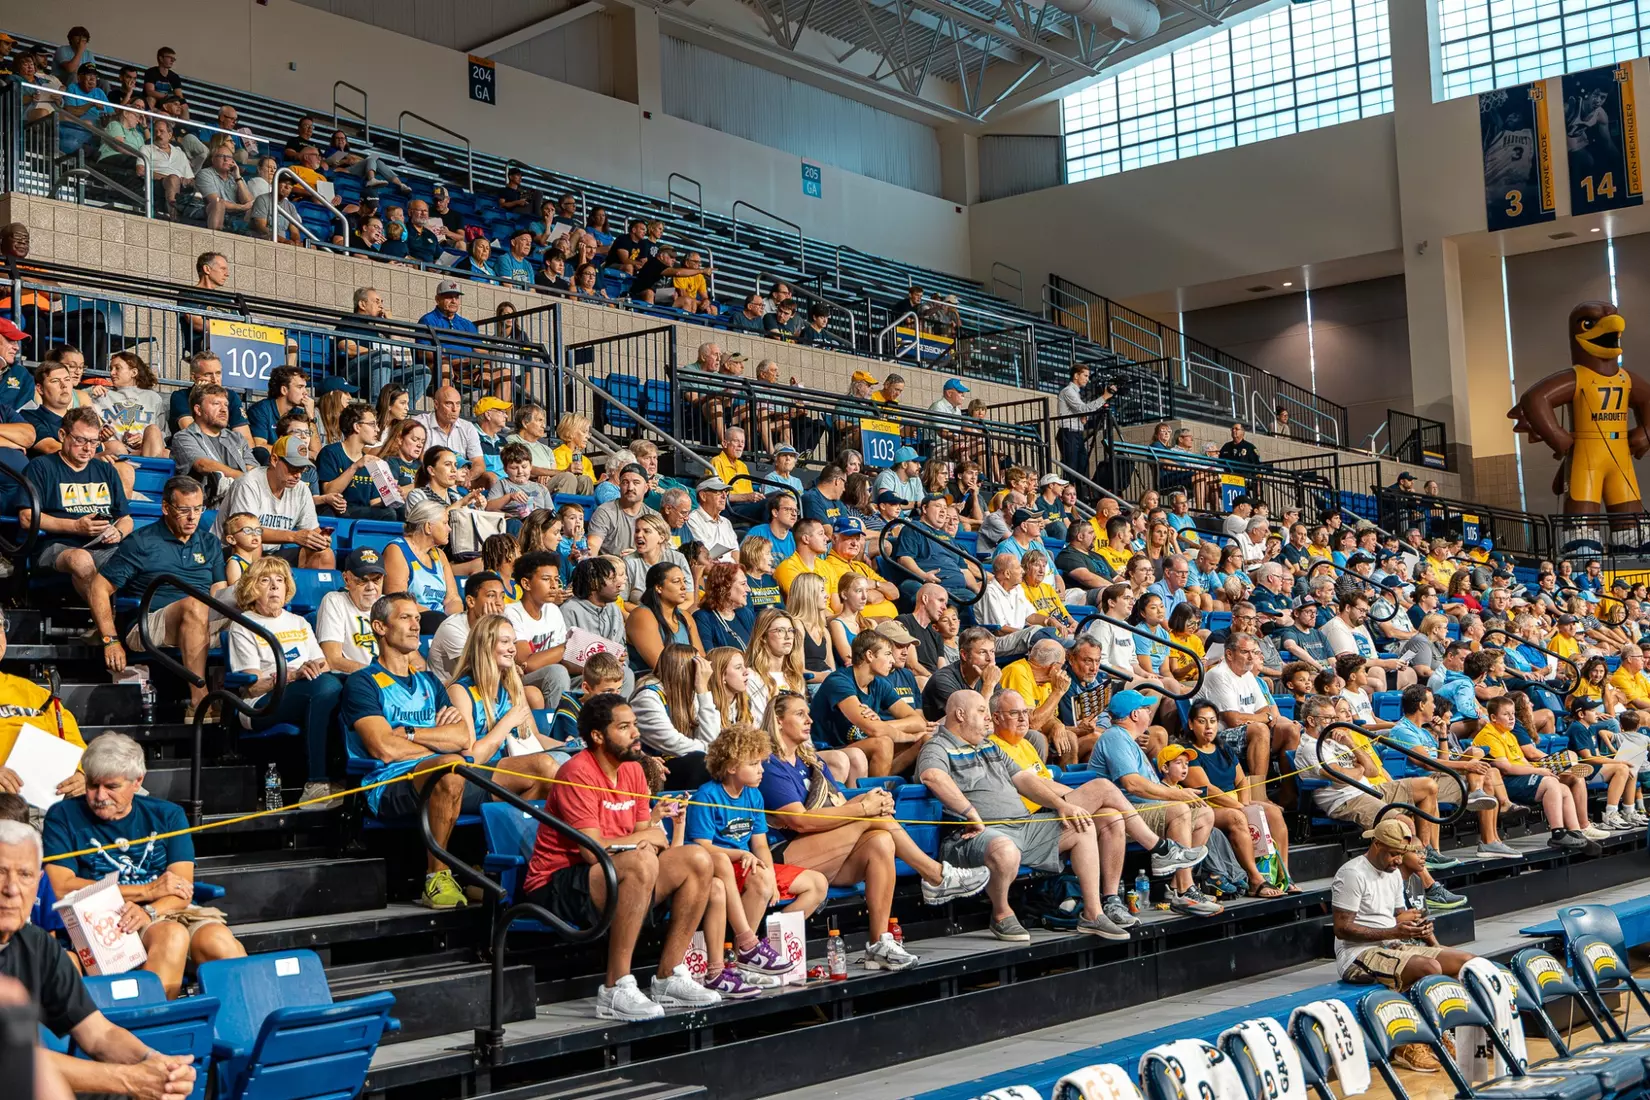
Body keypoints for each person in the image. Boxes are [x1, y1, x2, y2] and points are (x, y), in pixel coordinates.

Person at [342, 593, 556, 908]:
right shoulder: (363, 683)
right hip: (390, 783)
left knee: (545, 768)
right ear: (379, 627)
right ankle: (436, 877)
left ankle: (498, 867)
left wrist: (415, 733)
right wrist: (439, 742)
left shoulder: (429, 682)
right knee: (450, 765)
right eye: (405, 618)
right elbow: (384, 747)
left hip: (454, 773)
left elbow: (461, 737)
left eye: (417, 618)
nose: (416, 625)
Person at [520, 692, 720, 1018]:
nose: (635, 733)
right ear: (598, 736)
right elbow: (590, 849)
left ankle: (669, 976)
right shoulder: (576, 772)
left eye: (635, 725)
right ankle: (615, 987)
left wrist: (642, 840)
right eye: (624, 727)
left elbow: (654, 836)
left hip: (616, 868)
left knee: (697, 858)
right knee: (641, 862)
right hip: (557, 882)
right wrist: (642, 841)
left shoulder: (634, 771)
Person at [760, 692, 987, 970]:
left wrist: (871, 801)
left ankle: (880, 944)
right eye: (799, 714)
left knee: (880, 840)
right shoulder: (770, 765)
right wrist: (863, 809)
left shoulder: (812, 761)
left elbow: (838, 806)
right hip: (785, 856)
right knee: (872, 819)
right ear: (779, 721)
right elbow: (800, 821)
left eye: (808, 713)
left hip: (825, 852)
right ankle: (935, 875)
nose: (809, 720)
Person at [0, 818, 202, 1096]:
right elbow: (11, 1057)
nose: (11, 889)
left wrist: (156, 1063)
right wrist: (130, 1079)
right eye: (0, 872)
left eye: (24, 875)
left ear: (38, 883)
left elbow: (99, 1034)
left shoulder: (37, 945)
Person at [44, 733, 248, 999]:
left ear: (137, 781)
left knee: (220, 944)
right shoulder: (63, 815)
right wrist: (147, 891)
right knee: (171, 936)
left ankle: (245, 1030)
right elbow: (62, 887)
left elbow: (181, 888)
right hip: (105, 916)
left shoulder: (167, 814)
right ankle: (150, 1030)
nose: (99, 795)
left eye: (111, 786)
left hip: (165, 910)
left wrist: (151, 910)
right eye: (92, 785)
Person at [920, 689, 1131, 941]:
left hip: (1024, 826)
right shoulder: (937, 746)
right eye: (981, 712)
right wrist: (970, 813)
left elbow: (1024, 779)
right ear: (960, 714)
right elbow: (932, 776)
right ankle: (1001, 915)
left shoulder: (989, 746)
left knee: (1081, 825)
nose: (988, 718)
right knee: (1005, 849)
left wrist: (1060, 804)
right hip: (975, 835)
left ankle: (1092, 913)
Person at [1332, 817, 1478, 1072]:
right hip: (1357, 954)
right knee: (1429, 968)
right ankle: (1407, 1043)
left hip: (1391, 944)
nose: (1398, 861)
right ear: (1376, 844)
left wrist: (1417, 927)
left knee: (1466, 963)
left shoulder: (1393, 874)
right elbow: (1342, 929)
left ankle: (1438, 1033)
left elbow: (1400, 915)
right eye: (1393, 854)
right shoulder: (1352, 874)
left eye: (1402, 854)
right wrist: (1393, 930)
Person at [89, 477, 225, 717]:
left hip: (201, 619)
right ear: (166, 508)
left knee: (255, 604)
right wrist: (111, 640)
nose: (193, 517)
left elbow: (219, 591)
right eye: (184, 510)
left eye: (198, 509)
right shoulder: (142, 541)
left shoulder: (209, 542)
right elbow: (99, 587)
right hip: (148, 623)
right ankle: (199, 700)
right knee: (195, 605)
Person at [1091, 691, 1223, 915]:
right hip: (1123, 814)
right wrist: (1175, 795)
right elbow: (1132, 784)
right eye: (1144, 708)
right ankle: (1185, 891)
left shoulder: (1128, 740)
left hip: (1143, 810)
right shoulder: (1115, 737)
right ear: (1134, 714)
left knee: (1204, 813)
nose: (1149, 711)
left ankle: (1176, 887)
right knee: (1179, 809)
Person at [227, 557, 343, 806]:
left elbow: (322, 663)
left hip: (306, 690)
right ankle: (316, 784)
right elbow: (251, 685)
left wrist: (311, 668)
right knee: (326, 688)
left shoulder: (299, 622)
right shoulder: (245, 625)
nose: (274, 586)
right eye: (265, 580)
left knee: (343, 686)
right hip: (260, 704)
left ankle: (347, 778)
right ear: (251, 588)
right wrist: (292, 675)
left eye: (280, 580)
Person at [21, 406, 131, 605]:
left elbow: (125, 519)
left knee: (142, 559)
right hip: (56, 545)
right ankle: (109, 629)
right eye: (80, 440)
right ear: (62, 435)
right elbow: (27, 517)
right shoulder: (41, 467)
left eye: (93, 441)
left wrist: (119, 533)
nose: (88, 448)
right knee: (81, 560)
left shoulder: (106, 470)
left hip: (104, 545)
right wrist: (75, 527)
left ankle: (116, 628)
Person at [1473, 694, 1604, 850]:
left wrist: (1543, 769)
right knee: (1550, 783)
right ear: (1493, 717)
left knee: (1564, 788)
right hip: (1504, 782)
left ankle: (1576, 833)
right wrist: (1541, 772)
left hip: (1518, 777)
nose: (1511, 718)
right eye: (1506, 714)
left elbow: (1521, 761)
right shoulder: (1488, 735)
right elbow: (1506, 768)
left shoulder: (1508, 734)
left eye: (1513, 714)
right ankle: (1558, 834)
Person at [811, 632, 931, 777]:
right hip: (831, 749)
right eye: (887, 654)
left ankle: (891, 788)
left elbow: (918, 722)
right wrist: (904, 736)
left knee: (924, 739)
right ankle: (879, 794)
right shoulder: (839, 681)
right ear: (869, 655)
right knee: (883, 743)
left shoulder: (879, 683)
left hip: (862, 744)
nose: (892, 660)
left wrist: (881, 725)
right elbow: (873, 730)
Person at [213, 437, 335, 569]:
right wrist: (293, 536)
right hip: (232, 551)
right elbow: (245, 533)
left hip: (272, 553)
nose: (298, 475)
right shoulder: (248, 483)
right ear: (274, 460)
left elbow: (312, 528)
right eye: (293, 468)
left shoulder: (301, 489)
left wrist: (320, 538)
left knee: (324, 554)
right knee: (253, 545)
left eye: (302, 469)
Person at [504, 551, 573, 711]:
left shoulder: (553, 611)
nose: (554, 585)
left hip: (556, 676)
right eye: (546, 579)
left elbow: (563, 659)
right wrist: (570, 646)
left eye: (556, 579)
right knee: (557, 672)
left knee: (614, 672)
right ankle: (557, 730)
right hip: (519, 679)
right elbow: (527, 663)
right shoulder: (511, 613)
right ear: (526, 584)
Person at [383, 500, 463, 627]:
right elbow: (397, 601)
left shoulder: (440, 555)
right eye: (444, 523)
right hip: (412, 621)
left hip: (441, 622)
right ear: (428, 527)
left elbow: (453, 598)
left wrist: (454, 621)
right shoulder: (397, 550)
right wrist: (438, 619)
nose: (449, 528)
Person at [317, 548, 387, 675]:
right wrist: (377, 675)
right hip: (356, 679)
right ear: (346, 579)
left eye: (376, 579)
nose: (371, 587)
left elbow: (412, 656)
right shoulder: (335, 601)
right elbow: (333, 659)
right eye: (362, 580)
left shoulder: (388, 604)